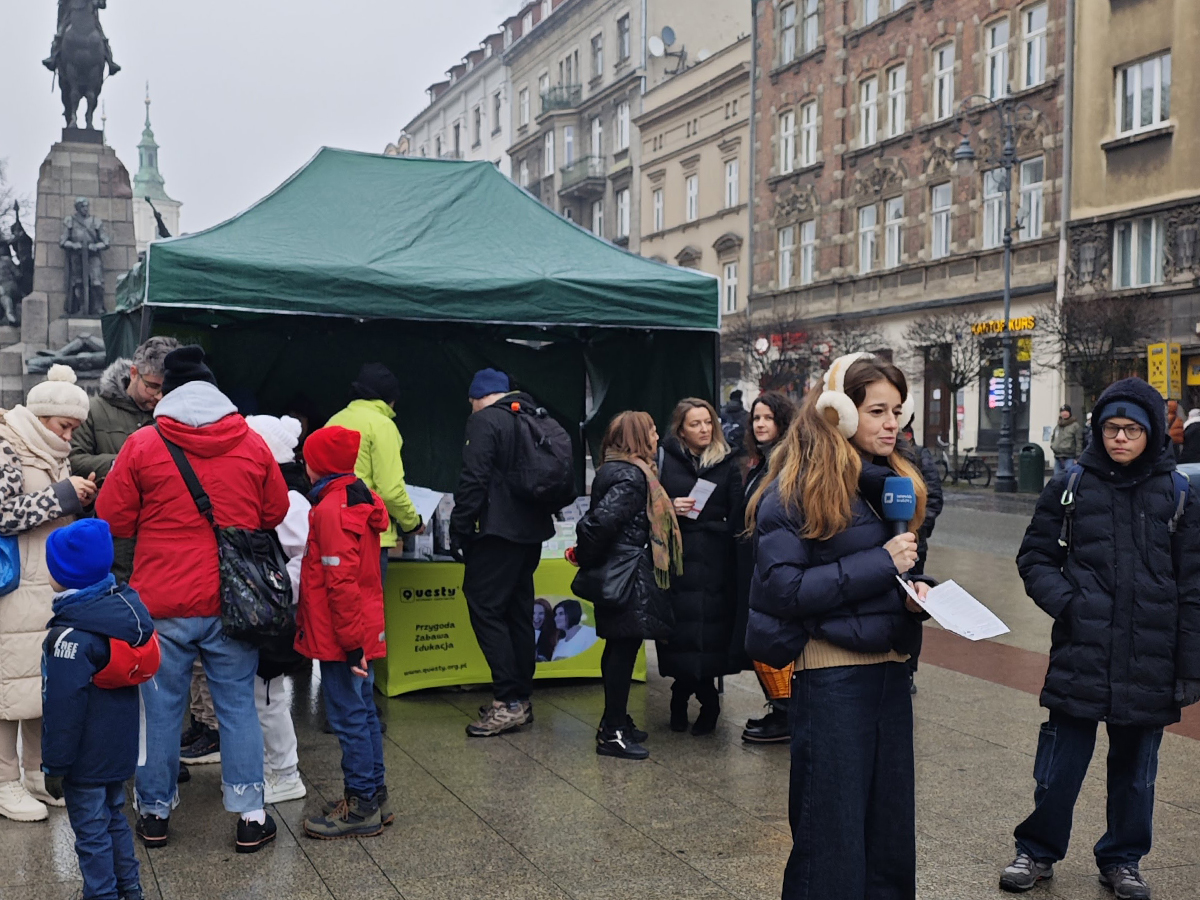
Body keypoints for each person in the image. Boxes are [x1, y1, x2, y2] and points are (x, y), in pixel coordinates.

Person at [999, 377, 1200, 900]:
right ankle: (1037, 851)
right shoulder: (1071, 485)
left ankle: (1122, 859)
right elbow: (1035, 557)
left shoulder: (1179, 493)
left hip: (1150, 657)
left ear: (1152, 432)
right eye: (1111, 428)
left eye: (1132, 429)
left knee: (1137, 773)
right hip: (1082, 650)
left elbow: (1194, 585)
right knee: (1060, 764)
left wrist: (1190, 665)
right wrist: (1070, 604)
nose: (1120, 438)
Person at [746, 352, 931, 900]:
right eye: (877, 411)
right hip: (832, 681)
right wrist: (886, 565)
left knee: (889, 835)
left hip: (892, 674)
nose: (891, 423)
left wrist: (919, 594)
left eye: (897, 410)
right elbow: (787, 590)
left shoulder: (890, 486)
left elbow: (890, 571)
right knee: (831, 838)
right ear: (840, 413)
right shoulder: (793, 490)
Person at [96, 346, 289, 853]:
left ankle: (155, 814)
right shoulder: (248, 441)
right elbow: (275, 509)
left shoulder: (143, 444)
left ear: (169, 391)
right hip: (232, 601)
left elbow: (113, 519)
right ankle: (250, 814)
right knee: (237, 708)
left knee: (159, 711)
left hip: (161, 599)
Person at [40, 519, 158, 900]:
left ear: (66, 574)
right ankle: (130, 889)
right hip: (119, 750)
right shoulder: (122, 612)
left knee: (90, 834)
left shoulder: (69, 635)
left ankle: (103, 894)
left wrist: (55, 766)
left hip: (84, 759)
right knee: (114, 822)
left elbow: (63, 709)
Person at [0, 365, 95, 821]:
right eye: (65, 426)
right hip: (12, 589)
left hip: (46, 589)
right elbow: (1, 514)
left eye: (75, 428)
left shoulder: (47, 449)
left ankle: (36, 774)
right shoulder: (6, 443)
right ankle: (4, 781)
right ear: (41, 417)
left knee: (39, 686)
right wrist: (62, 495)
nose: (70, 436)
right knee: (7, 688)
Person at [294, 426, 391, 839]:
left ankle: (361, 806)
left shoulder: (331, 510)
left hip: (343, 635)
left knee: (348, 716)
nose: (303, 462)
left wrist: (351, 646)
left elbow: (340, 582)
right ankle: (375, 796)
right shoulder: (360, 496)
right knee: (364, 711)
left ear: (319, 464)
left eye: (307, 457)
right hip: (361, 626)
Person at [451, 368, 555, 737]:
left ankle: (507, 702)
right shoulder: (530, 416)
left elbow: (473, 478)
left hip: (496, 534)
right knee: (517, 610)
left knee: (484, 606)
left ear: (475, 398)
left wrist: (459, 527)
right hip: (532, 535)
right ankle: (521, 698)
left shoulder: (484, 421)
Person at [573, 410, 679, 760]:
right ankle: (613, 730)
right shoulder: (631, 477)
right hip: (626, 573)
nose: (656, 437)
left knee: (623, 646)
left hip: (624, 570)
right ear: (636, 438)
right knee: (621, 649)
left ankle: (615, 720)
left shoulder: (617, 470)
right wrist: (588, 556)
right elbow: (597, 524)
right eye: (651, 431)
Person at [657, 397, 744, 736]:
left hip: (715, 561)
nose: (704, 429)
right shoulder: (665, 459)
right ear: (681, 428)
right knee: (680, 632)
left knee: (710, 634)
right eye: (696, 424)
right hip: (678, 560)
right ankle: (680, 695)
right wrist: (669, 507)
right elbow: (651, 502)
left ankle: (709, 702)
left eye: (708, 422)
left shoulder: (727, 460)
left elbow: (736, 511)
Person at [70, 336, 180, 581]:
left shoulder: (172, 416)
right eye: (152, 386)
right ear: (133, 373)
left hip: (157, 545)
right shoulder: (95, 410)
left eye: (166, 388)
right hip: (108, 541)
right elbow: (74, 461)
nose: (159, 396)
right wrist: (124, 463)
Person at [245, 415, 311, 805]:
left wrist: (271, 587)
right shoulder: (281, 489)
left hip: (275, 613)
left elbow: (306, 557)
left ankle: (286, 773)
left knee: (268, 696)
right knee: (263, 694)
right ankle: (275, 767)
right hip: (272, 608)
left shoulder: (290, 498)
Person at [735, 392, 798, 744]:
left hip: (776, 564)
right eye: (756, 418)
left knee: (774, 639)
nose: (760, 424)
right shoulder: (759, 461)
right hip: (757, 564)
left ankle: (787, 711)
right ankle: (780, 708)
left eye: (767, 418)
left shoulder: (786, 463)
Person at [326, 363, 424, 587]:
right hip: (369, 533)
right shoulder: (382, 425)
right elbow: (390, 490)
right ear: (390, 398)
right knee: (367, 611)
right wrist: (412, 522)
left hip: (331, 531)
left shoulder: (333, 421)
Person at [899, 419, 945, 696]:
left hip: (915, 545)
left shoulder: (920, 456)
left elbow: (934, 498)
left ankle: (908, 669)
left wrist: (917, 529)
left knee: (912, 608)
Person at [1050, 405, 1085, 475]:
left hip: (1070, 458)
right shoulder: (1058, 426)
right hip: (1057, 457)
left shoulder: (1075, 426)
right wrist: (1053, 446)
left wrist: (1078, 457)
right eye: (1062, 411)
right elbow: (1053, 438)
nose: (1064, 413)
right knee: (1056, 480)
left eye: (1066, 411)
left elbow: (1079, 442)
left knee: (1068, 478)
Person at [533, 598, 557, 662]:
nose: (536, 617)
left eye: (541, 613)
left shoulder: (555, 635)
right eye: (533, 613)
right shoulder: (521, 633)